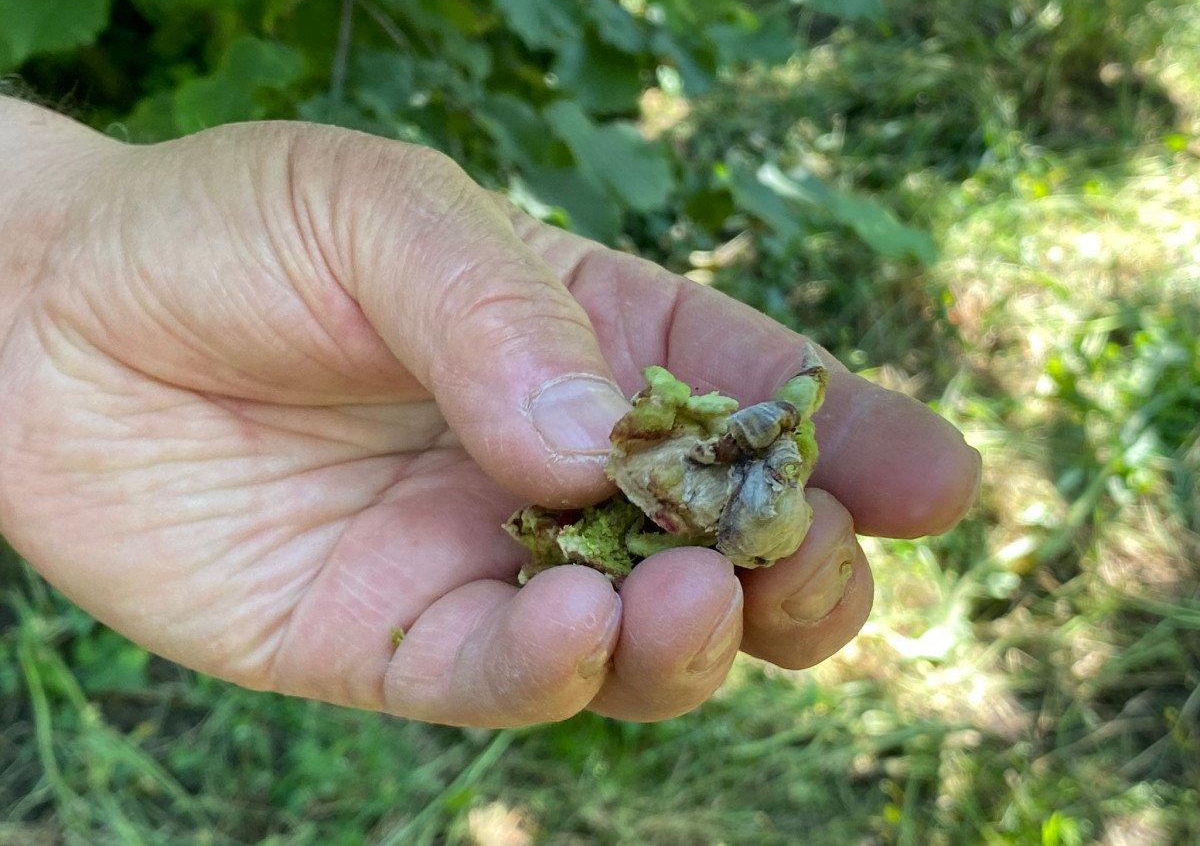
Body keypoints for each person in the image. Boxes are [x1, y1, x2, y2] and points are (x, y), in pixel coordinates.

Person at [0, 96, 980, 727]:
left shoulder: (703, 485)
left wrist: (50, 258)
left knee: (632, 603)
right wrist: (47, 266)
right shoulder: (667, 451)